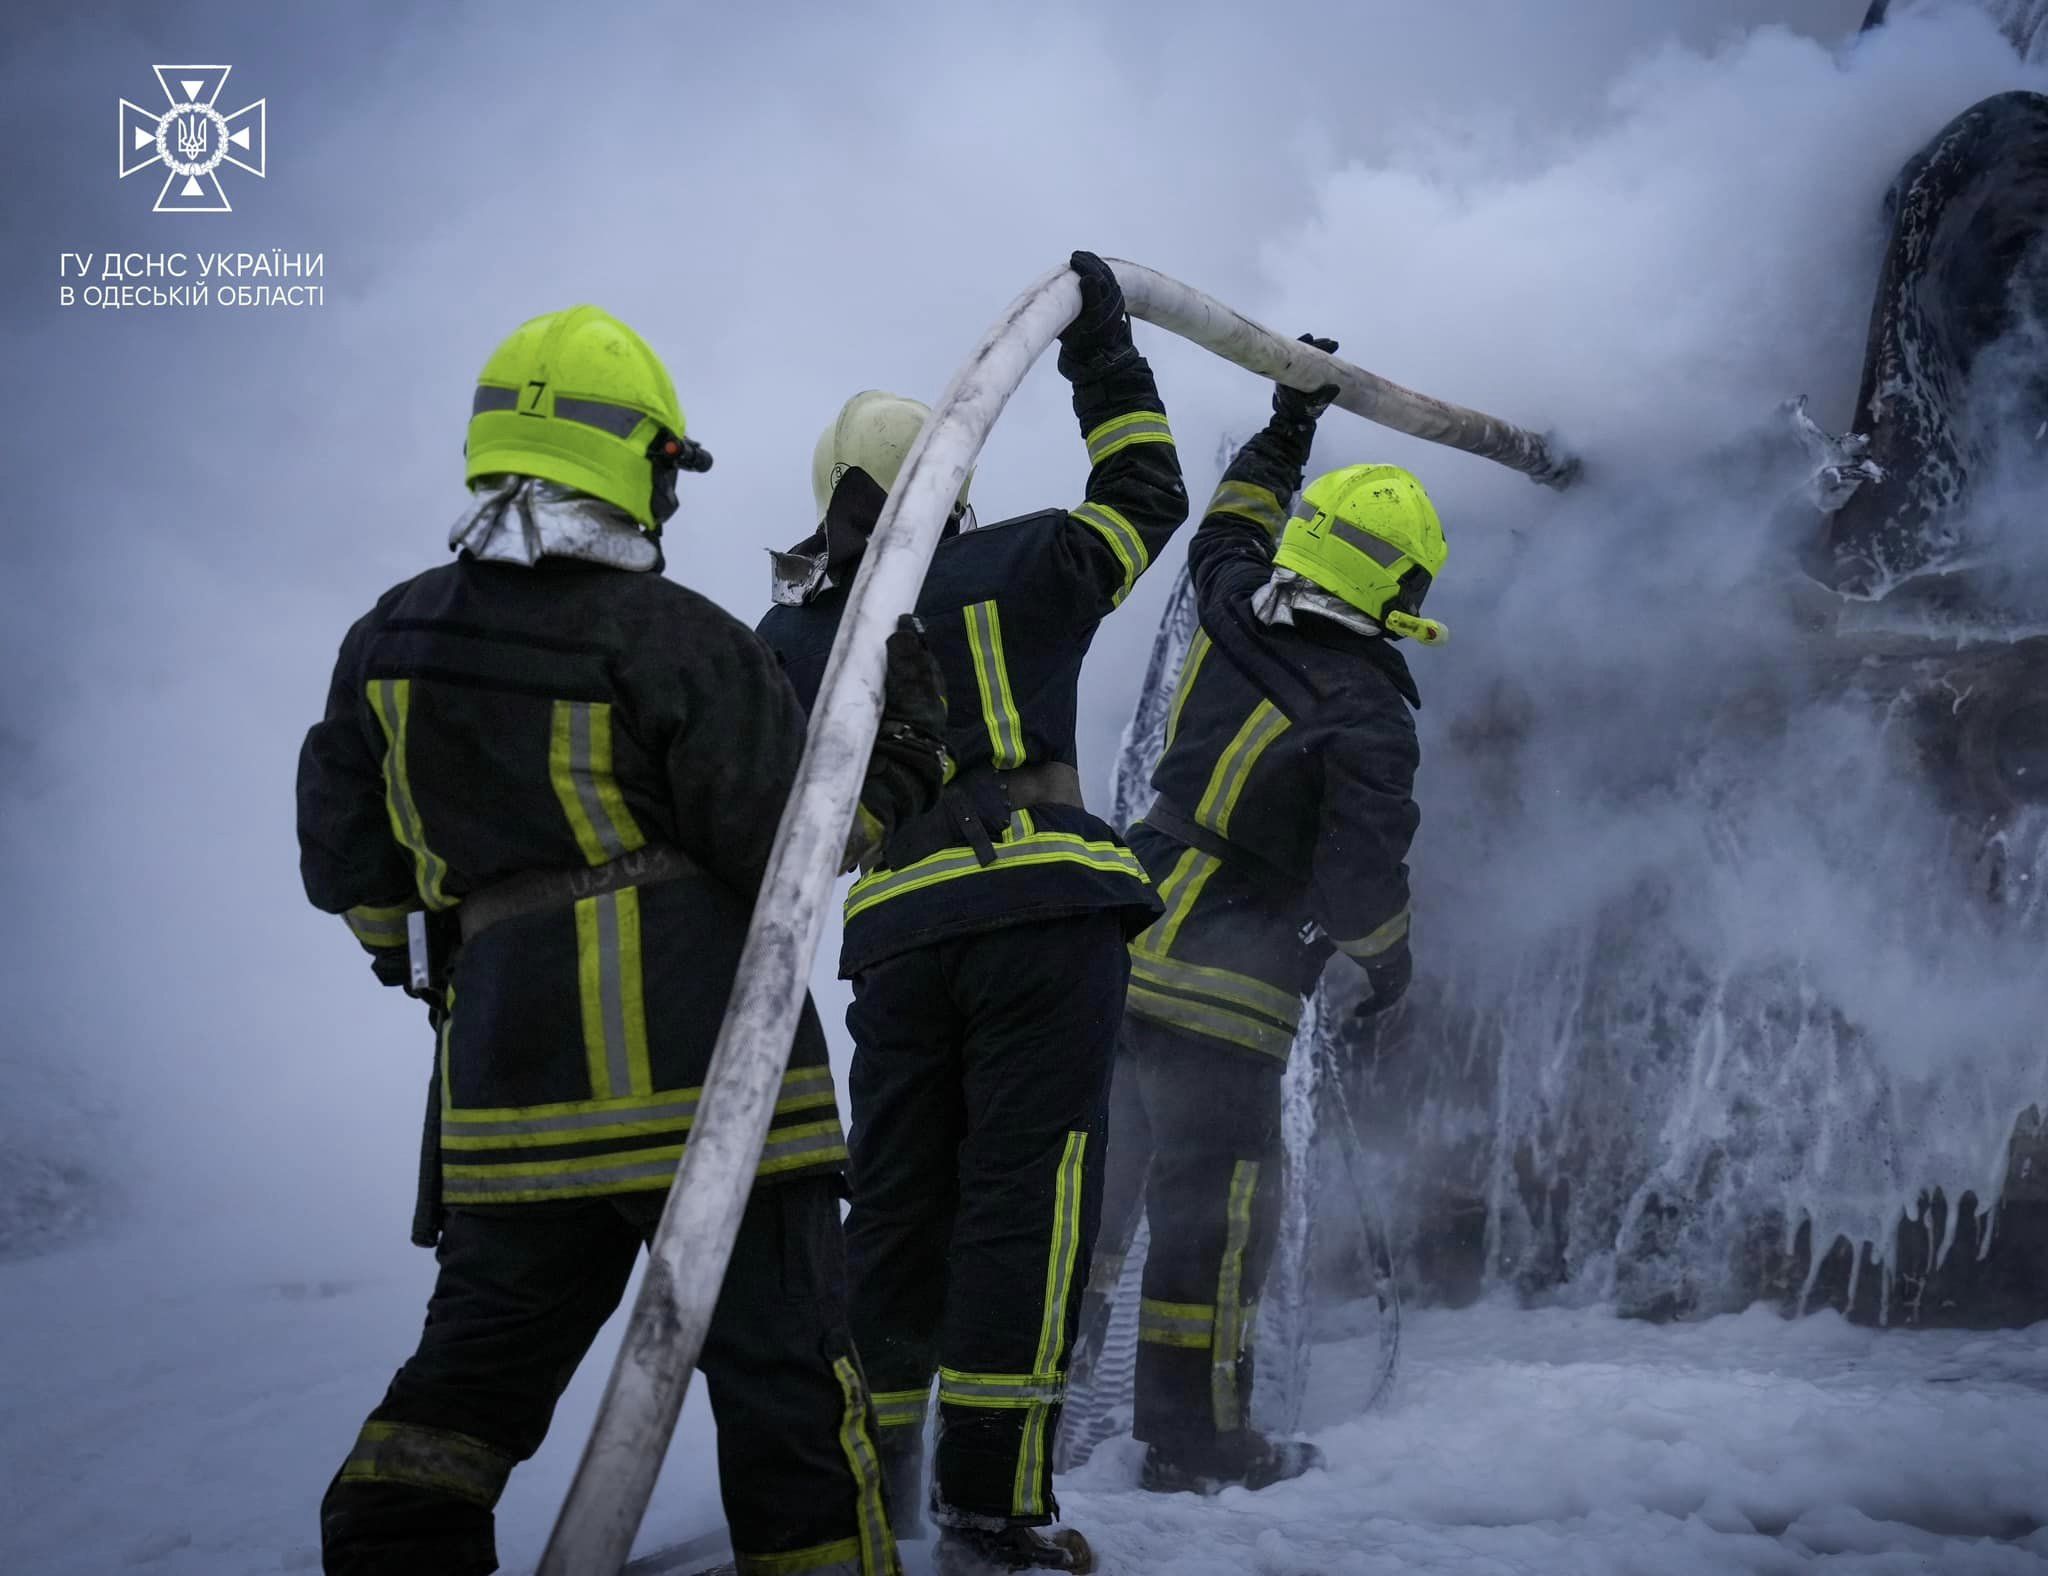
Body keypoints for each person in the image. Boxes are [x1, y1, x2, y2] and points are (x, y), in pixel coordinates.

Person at [297, 304, 946, 1576]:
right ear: (638, 462)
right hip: (714, 1095)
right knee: (791, 1399)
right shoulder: (676, 638)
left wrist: (447, 965)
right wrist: (905, 764)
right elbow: (787, 852)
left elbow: (351, 873)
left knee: (460, 1398)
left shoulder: (388, 640)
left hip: (505, 1103)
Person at [755, 253, 1188, 1574]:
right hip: (1044, 919)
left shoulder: (783, 645)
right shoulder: (1032, 560)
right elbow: (1148, 491)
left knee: (891, 1212)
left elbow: (764, 827)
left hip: (898, 941)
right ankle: (992, 1511)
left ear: (831, 494)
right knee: (1026, 1201)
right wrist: (1099, 345)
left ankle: (871, 1494)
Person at [1083, 339, 1444, 1494]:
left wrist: (1289, 420)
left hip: (1119, 943)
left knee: (1083, 1211)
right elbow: (1358, 894)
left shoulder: (1234, 605)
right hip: (1225, 1006)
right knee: (1214, 1224)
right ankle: (1195, 1444)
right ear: (1400, 587)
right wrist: (1388, 977)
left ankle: (1012, 1420)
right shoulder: (1371, 721)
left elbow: (1227, 524)